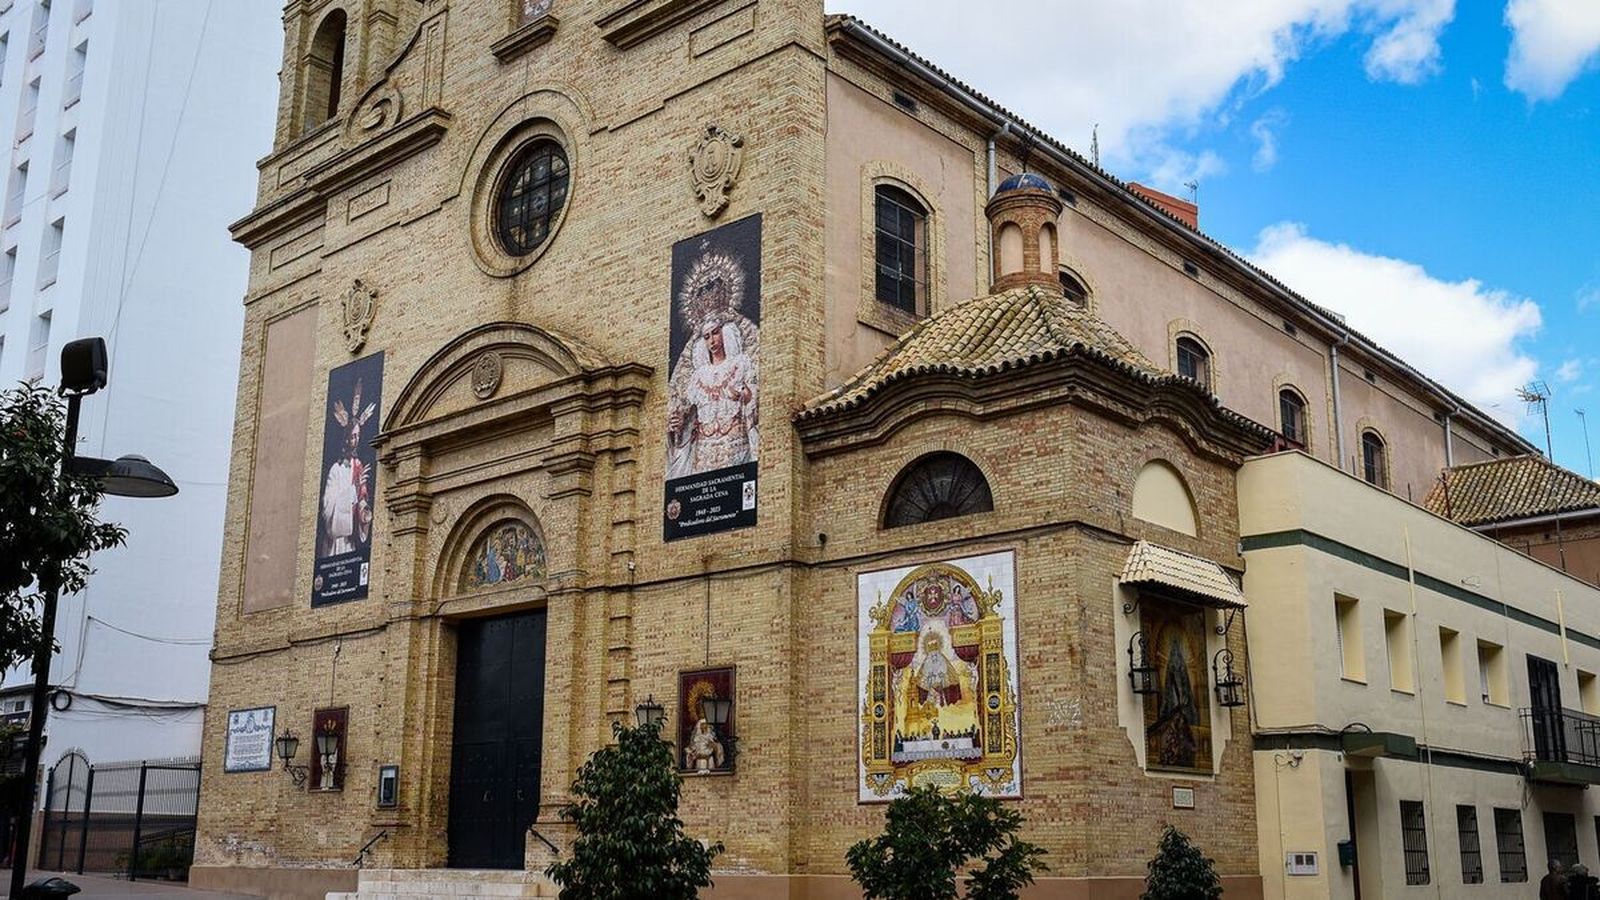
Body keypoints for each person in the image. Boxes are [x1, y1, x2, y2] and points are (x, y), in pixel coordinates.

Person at [666, 315, 758, 480]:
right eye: (707, 336)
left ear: (725, 333)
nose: (712, 341)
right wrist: (679, 423)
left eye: (715, 333)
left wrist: (742, 395)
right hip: (705, 444)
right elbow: (688, 413)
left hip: (734, 438)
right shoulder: (698, 375)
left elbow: (751, 395)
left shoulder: (740, 363)